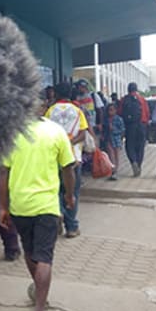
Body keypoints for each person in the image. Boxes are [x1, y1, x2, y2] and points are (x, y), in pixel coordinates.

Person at [0, 101, 76, 311]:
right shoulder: (56, 132)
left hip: (20, 206)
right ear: (42, 110)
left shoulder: (11, 135)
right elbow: (68, 168)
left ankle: (38, 291)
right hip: (47, 206)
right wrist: (70, 195)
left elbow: (3, 171)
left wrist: (3, 206)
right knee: (45, 257)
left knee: (31, 252)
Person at [45, 82, 88, 238]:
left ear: (55, 94)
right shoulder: (77, 111)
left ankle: (59, 213)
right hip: (73, 158)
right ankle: (71, 227)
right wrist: (70, 142)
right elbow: (83, 134)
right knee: (72, 191)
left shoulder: (50, 111)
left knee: (56, 190)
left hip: (54, 158)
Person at [118, 82, 150, 177]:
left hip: (130, 126)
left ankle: (133, 161)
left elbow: (120, 112)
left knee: (130, 145)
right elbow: (147, 113)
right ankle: (139, 165)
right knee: (140, 146)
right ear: (136, 89)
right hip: (141, 125)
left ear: (128, 89)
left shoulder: (124, 100)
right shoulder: (142, 100)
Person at [105, 104, 125, 180]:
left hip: (116, 138)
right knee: (111, 155)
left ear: (115, 110)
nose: (110, 112)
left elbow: (122, 130)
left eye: (112, 110)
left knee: (116, 155)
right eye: (109, 110)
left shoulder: (119, 119)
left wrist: (115, 130)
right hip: (109, 138)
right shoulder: (106, 119)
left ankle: (115, 170)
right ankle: (112, 170)